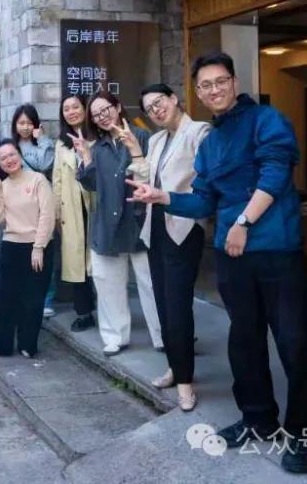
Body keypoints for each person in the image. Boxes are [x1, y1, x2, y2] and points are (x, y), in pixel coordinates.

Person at [128, 52, 307, 474]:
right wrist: (163, 197)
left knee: (294, 343)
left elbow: (276, 173)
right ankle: (258, 418)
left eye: (220, 81)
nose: (214, 89)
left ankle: (305, 433)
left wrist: (242, 222)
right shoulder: (212, 142)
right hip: (234, 257)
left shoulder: (266, 120)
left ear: (234, 82)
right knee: (244, 340)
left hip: (275, 250)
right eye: (205, 85)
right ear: (197, 93)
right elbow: (203, 200)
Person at [130, 84, 210, 412]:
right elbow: (148, 176)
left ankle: (186, 382)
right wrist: (135, 157)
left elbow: (206, 177)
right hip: (156, 227)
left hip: (184, 227)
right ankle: (176, 367)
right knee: (162, 303)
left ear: (174, 99)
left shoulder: (199, 132)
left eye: (159, 102)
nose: (156, 110)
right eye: (149, 109)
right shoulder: (157, 139)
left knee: (178, 306)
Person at [73, 92, 162, 357]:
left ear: (118, 107)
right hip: (106, 225)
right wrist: (85, 157)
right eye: (96, 114)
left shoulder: (143, 137)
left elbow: (154, 175)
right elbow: (91, 185)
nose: (102, 117)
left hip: (139, 221)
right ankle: (115, 336)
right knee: (108, 285)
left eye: (106, 110)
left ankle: (163, 335)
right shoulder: (97, 147)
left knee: (152, 284)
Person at [0, 139, 55, 358]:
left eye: (12, 154)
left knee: (33, 299)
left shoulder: (38, 179)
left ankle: (27, 343)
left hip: (37, 246)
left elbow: (47, 215)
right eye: (3, 158)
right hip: (11, 245)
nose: (9, 160)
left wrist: (39, 246)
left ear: (20, 155)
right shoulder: (3, 186)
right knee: (5, 298)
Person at [52, 94, 97, 332]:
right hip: (72, 207)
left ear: (85, 108)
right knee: (77, 264)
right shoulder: (61, 144)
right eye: (66, 109)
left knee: (99, 262)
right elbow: (57, 179)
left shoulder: (98, 136)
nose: (71, 112)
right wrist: (57, 212)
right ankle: (83, 312)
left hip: (96, 204)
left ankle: (108, 310)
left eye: (75, 107)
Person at [11, 104, 58, 319]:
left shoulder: (44, 145)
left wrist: (43, 140)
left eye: (29, 123)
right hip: (20, 205)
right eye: (21, 123)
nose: (25, 127)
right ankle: (24, 295)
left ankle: (47, 299)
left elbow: (46, 164)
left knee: (45, 250)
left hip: (43, 203)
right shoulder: (11, 146)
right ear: (15, 125)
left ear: (36, 125)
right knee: (23, 252)